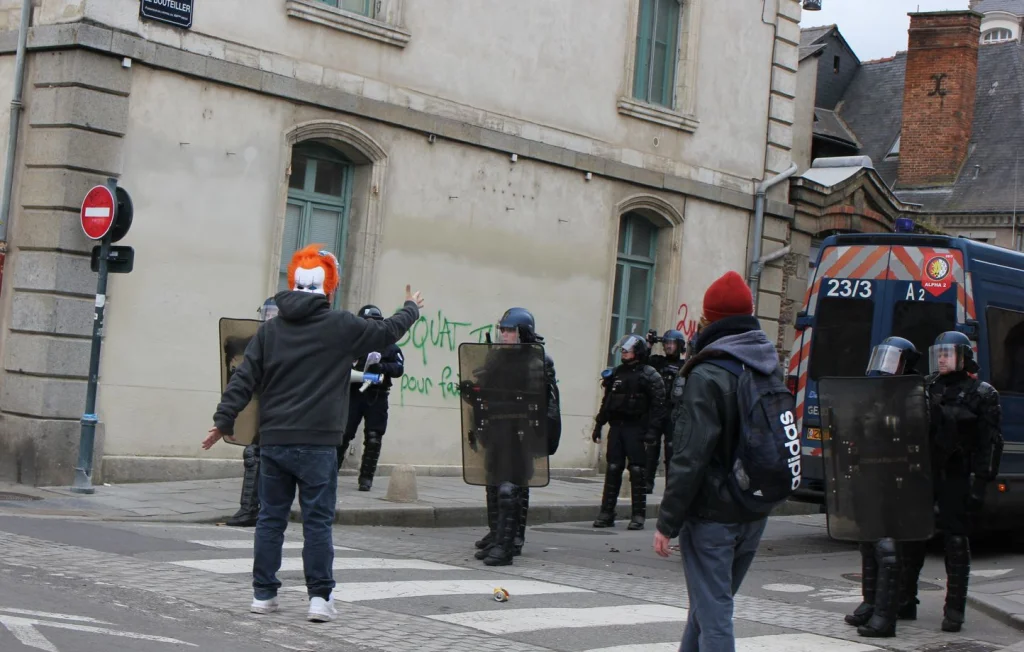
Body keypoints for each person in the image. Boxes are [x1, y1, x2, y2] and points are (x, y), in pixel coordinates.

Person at [202, 244, 423, 623]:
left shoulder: (271, 331)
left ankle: (263, 595)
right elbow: (387, 332)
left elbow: (243, 378)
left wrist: (224, 421)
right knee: (317, 523)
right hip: (319, 442)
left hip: (275, 440)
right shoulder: (341, 326)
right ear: (330, 287)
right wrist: (411, 309)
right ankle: (319, 599)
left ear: (293, 280)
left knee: (270, 519)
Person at [653, 270, 780, 651]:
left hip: (713, 515)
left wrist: (667, 521)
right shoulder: (768, 365)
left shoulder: (707, 373)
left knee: (715, 613)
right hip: (754, 508)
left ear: (709, 320)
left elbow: (689, 457)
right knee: (707, 606)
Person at [901, 331, 1003, 633]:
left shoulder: (982, 393)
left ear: (962, 357)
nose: (942, 359)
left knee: (956, 540)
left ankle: (955, 609)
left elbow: (989, 444)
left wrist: (980, 483)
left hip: (957, 475)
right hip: (925, 473)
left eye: (948, 353)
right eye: (939, 353)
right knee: (913, 536)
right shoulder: (926, 386)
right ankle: (905, 600)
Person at [843, 336, 922, 638]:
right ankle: (872, 602)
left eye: (892, 359)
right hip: (872, 477)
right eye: (883, 358)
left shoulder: (913, 396)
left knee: (888, 549)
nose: (885, 366)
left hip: (897, 480)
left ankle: (886, 616)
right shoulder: (876, 395)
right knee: (868, 542)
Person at [469, 308, 561, 566]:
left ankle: (508, 544)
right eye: (503, 329)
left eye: (510, 330)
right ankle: (497, 536)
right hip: (497, 430)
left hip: (520, 432)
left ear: (523, 333)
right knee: (493, 484)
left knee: (511, 487)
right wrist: (474, 394)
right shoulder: (495, 358)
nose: (504, 334)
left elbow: (542, 402)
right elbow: (487, 394)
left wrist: (540, 437)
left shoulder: (537, 361)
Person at [592, 333, 665, 530]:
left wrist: (653, 431)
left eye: (628, 349)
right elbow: (607, 401)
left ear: (638, 351)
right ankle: (607, 512)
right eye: (623, 349)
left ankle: (638, 514)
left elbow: (659, 405)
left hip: (636, 428)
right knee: (613, 468)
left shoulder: (649, 374)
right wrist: (599, 424)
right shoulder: (616, 373)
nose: (624, 352)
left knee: (637, 470)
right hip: (617, 427)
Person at [223, 298, 279, 528]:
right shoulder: (260, 340)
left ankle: (262, 509)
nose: (269, 318)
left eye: (273, 314)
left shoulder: (289, 339)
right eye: (267, 314)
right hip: (262, 406)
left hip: (285, 411)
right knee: (254, 454)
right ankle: (249, 509)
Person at [338, 304, 406, 491]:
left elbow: (399, 368)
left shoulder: (389, 346)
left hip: (377, 395)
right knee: (344, 434)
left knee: (374, 436)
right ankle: (330, 473)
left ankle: (366, 478)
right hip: (354, 393)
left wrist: (382, 367)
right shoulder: (352, 344)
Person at [644, 329, 686, 494]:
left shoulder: (684, 366)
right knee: (651, 447)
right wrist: (649, 345)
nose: (668, 346)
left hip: (674, 412)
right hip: (656, 410)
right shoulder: (657, 362)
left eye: (672, 343)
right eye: (666, 343)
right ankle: (647, 483)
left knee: (671, 449)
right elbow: (642, 363)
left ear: (679, 346)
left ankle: (671, 486)